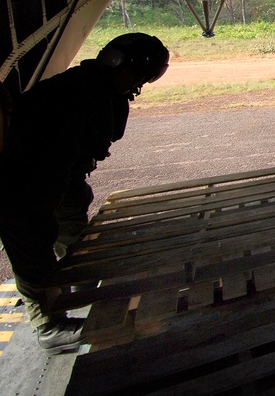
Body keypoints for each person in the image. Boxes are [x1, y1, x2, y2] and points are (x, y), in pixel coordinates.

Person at [0, 32, 169, 355]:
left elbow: (68, 164)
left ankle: (80, 280)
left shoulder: (99, 88)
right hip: (16, 181)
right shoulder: (77, 94)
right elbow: (50, 165)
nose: (139, 84)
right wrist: (42, 216)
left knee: (73, 219)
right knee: (33, 246)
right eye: (139, 75)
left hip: (56, 174)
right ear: (122, 67)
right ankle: (49, 326)